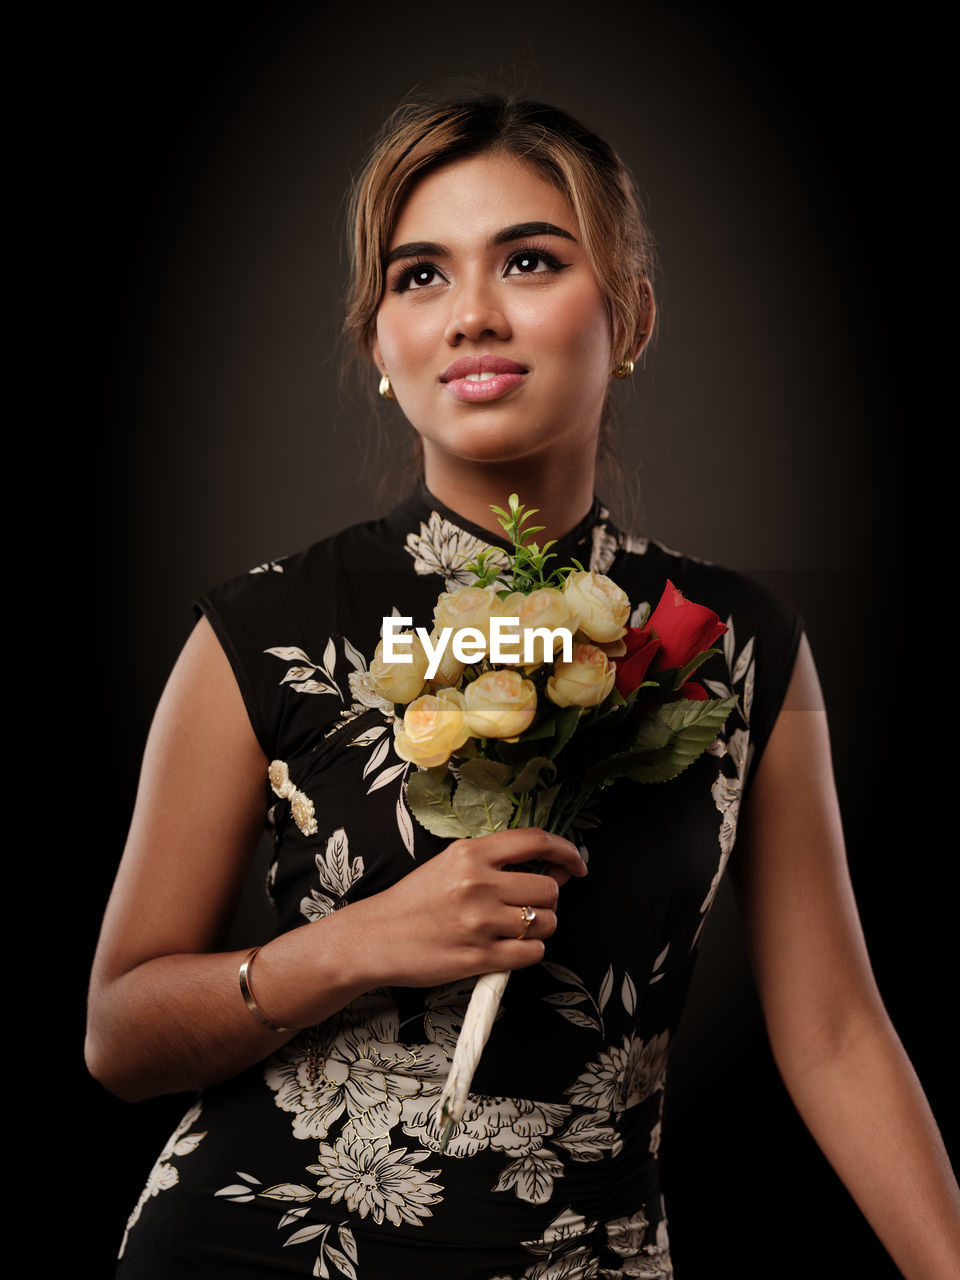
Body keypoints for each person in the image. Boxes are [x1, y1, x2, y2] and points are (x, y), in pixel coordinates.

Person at [86, 94, 959, 1279]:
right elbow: (119, 1033)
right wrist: (359, 943)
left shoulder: (737, 640)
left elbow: (839, 1033)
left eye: (531, 260)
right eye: (420, 277)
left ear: (631, 314)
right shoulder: (262, 626)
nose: (473, 317)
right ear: (379, 346)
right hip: (257, 1243)